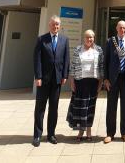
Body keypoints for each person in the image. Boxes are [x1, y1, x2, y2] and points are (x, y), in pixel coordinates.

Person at [32, 15, 70, 147]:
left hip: (57, 81)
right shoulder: (42, 39)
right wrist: (38, 77)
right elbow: (37, 60)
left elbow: (66, 59)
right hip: (43, 80)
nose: (55, 26)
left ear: (60, 26)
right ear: (50, 25)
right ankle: (37, 135)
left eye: (58, 24)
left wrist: (65, 74)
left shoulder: (65, 40)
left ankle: (51, 135)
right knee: (40, 108)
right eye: (53, 24)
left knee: (54, 109)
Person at [67, 29, 104, 141]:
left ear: (94, 38)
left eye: (91, 37)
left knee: (90, 108)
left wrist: (100, 85)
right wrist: (72, 82)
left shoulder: (99, 50)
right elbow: (72, 67)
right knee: (80, 108)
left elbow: (101, 68)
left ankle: (88, 131)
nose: (89, 39)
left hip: (93, 83)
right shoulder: (78, 50)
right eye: (87, 37)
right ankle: (80, 131)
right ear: (84, 38)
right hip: (80, 82)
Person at [103, 20, 125, 143]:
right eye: (120, 28)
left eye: (124, 28)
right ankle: (110, 133)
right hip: (112, 79)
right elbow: (105, 62)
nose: (122, 30)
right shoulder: (110, 41)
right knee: (111, 107)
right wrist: (106, 79)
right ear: (116, 28)